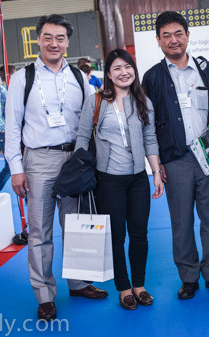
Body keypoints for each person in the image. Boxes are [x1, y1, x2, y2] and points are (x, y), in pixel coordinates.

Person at [5, 14, 105, 322]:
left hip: (74, 160)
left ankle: (79, 283)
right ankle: (45, 295)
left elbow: (91, 119)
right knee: (40, 232)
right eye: (48, 37)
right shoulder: (23, 78)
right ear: (38, 40)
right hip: (39, 161)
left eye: (60, 38)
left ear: (67, 42)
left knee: (77, 225)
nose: (53, 43)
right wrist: (16, 167)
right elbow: (12, 127)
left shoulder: (78, 77)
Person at [141, 11, 209, 299]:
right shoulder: (152, 77)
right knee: (181, 222)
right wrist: (156, 165)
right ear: (158, 40)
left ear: (188, 36)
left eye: (178, 33)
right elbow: (148, 125)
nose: (173, 40)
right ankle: (188, 277)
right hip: (175, 160)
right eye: (166, 35)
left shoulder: (208, 71)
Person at [75, 49, 164, 311]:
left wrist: (156, 173)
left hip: (138, 179)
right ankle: (124, 289)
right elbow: (82, 138)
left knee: (139, 235)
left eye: (128, 67)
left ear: (134, 70)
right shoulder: (96, 101)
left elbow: (150, 138)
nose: (124, 72)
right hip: (108, 180)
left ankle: (139, 286)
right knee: (116, 237)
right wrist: (79, 172)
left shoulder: (143, 101)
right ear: (108, 74)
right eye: (117, 68)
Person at [0, 65, 15, 194]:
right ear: (9, 76)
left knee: (22, 166)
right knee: (10, 167)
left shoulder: (12, 92)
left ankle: (28, 196)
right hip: (7, 135)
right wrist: (11, 133)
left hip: (16, 134)